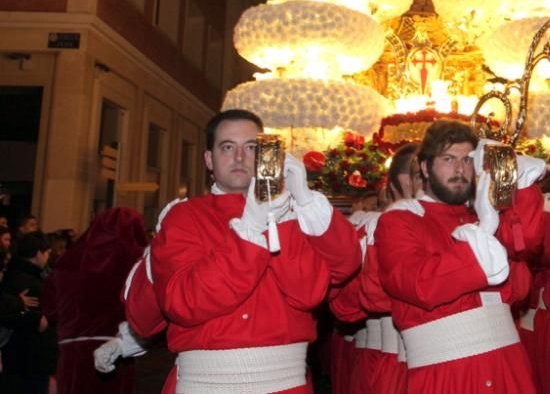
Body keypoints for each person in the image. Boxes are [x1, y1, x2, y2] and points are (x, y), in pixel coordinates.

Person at [150, 109, 361, 393]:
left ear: (265, 154)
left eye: (251, 147)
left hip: (287, 383)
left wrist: (305, 200)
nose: (239, 157)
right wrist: (250, 228)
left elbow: (322, 283)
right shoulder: (184, 217)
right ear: (209, 159)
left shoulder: (290, 212)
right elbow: (184, 301)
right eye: (227, 147)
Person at [374, 120, 545, 392]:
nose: (459, 169)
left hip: (507, 362)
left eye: (467, 160)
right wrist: (485, 232)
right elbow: (420, 285)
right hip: (446, 372)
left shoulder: (481, 212)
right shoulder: (399, 220)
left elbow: (525, 250)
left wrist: (521, 187)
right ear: (425, 167)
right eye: (448, 159)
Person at [42, 207, 146, 393]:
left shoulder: (69, 260)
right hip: (116, 351)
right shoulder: (133, 260)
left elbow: (50, 308)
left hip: (71, 354)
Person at [0, 230, 56, 394]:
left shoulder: (12, 274)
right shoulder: (33, 282)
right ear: (38, 253)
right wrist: (36, 319)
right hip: (33, 357)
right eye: (47, 253)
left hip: (16, 357)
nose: (47, 258)